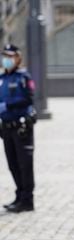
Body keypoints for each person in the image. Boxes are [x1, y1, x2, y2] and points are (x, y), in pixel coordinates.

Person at [0, 44, 36, 213]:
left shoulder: (23, 77)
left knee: (24, 164)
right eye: (4, 55)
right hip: (6, 128)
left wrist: (6, 105)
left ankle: (27, 200)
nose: (6, 59)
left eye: (10, 56)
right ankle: (19, 196)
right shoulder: (2, 78)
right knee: (13, 164)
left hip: (21, 128)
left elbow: (28, 99)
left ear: (17, 58)